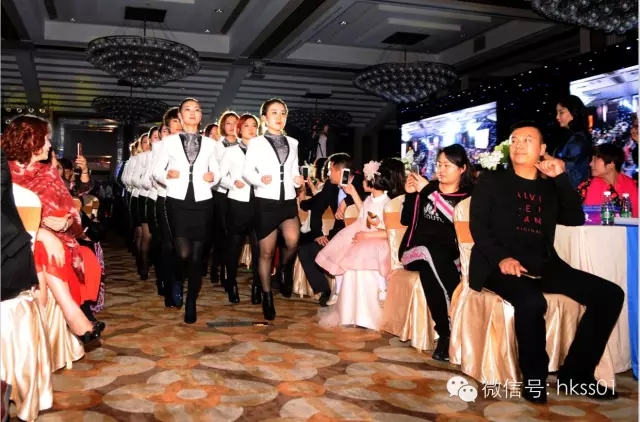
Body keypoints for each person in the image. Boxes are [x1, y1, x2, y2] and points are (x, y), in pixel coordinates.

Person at [469, 121, 623, 403]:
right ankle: (534, 380)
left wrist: (560, 178)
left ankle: (576, 375)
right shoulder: (492, 180)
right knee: (531, 301)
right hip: (497, 264)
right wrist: (502, 257)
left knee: (610, 295)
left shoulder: (549, 186)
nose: (518, 144)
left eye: (527, 140)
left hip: (544, 264)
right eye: (514, 140)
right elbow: (478, 226)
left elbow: (574, 218)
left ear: (542, 149)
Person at [2, 115, 103, 343]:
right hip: (12, 243)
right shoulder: (5, 173)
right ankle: (73, 317)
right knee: (41, 250)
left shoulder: (48, 173)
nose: (49, 145)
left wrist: (65, 222)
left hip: (60, 240)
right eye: (46, 139)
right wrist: (41, 232)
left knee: (44, 254)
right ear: (31, 140)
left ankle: (50, 330)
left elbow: (72, 212)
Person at [399, 144, 473, 361]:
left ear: (462, 168)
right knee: (430, 251)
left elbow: (457, 220)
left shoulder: (468, 196)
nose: (441, 169)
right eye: (439, 164)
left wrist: (428, 193)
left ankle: (446, 334)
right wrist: (411, 195)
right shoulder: (427, 188)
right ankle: (456, 320)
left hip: (448, 257)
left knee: (430, 272)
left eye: (447, 165)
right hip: (415, 251)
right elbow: (406, 220)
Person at [152, 98, 220, 324]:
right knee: (182, 253)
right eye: (187, 110)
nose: (192, 113)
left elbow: (217, 172)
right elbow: (156, 172)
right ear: (180, 117)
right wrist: (166, 175)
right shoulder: (168, 143)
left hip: (203, 202)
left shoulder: (210, 144)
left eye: (197, 110)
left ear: (201, 116)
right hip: (177, 200)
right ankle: (177, 279)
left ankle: (191, 302)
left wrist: (213, 176)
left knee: (197, 256)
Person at [242, 99, 304, 320]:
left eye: (283, 113)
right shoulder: (256, 143)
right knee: (266, 253)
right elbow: (247, 172)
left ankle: (284, 268)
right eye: (274, 112)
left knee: (293, 240)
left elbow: (293, 169)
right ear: (265, 118)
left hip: (287, 200)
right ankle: (267, 296)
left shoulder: (293, 142)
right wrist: (260, 179)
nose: (279, 117)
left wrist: (297, 179)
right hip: (265, 202)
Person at [315, 159, 405, 308]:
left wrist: (373, 226)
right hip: (363, 230)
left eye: (364, 179)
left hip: (376, 238)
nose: (362, 182)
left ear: (372, 182)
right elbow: (364, 212)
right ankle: (338, 290)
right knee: (340, 252)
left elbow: (387, 228)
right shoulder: (369, 199)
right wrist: (353, 193)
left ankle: (382, 288)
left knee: (362, 254)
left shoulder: (387, 203)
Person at [297, 153, 366, 306]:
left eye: (330, 170)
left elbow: (368, 199)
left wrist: (346, 201)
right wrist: (318, 234)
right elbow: (317, 208)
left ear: (341, 171)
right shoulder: (330, 185)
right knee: (306, 251)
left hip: (362, 236)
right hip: (338, 234)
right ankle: (323, 290)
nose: (328, 173)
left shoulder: (363, 182)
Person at [218, 114, 261, 304]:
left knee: (259, 249)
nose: (250, 129)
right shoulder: (231, 151)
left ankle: (258, 287)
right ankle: (231, 284)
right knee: (234, 247)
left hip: (259, 202)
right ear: (239, 129)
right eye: (246, 126)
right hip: (237, 202)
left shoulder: (263, 151)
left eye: (254, 126)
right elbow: (219, 176)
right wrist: (233, 183)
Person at [577, 143, 638, 216]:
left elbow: (636, 216)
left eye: (595, 159)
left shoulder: (630, 184)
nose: (590, 164)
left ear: (611, 163)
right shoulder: (586, 186)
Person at [553, 95, 593, 188]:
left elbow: (573, 174)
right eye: (557, 113)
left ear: (574, 112)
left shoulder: (578, 140)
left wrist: (546, 157)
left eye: (561, 112)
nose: (557, 117)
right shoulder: (570, 135)